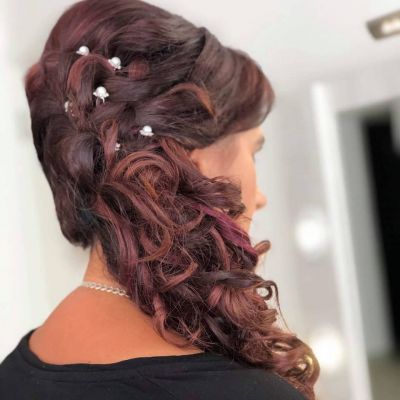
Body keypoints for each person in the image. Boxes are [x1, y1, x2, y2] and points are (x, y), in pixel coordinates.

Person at [0, 0, 320, 399]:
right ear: (196, 167)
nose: (261, 197)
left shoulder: (11, 376)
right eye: (252, 152)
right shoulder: (246, 393)